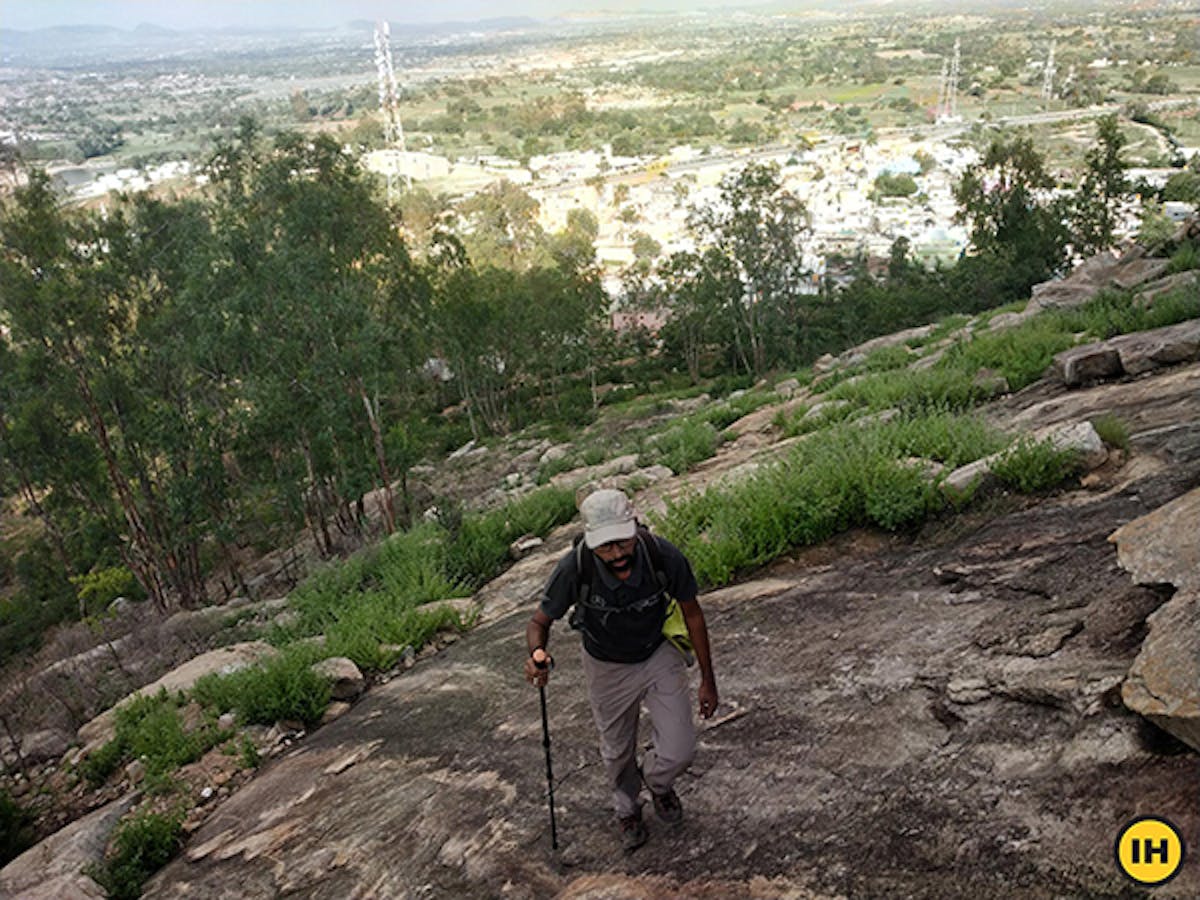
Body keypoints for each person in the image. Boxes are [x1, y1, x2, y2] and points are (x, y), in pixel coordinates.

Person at [524, 487, 718, 852]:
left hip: (657, 652)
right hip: (606, 664)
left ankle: (659, 784)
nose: (616, 554)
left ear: (634, 529)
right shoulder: (574, 567)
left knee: (679, 751)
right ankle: (627, 809)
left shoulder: (661, 554)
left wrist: (708, 680)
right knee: (616, 750)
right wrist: (536, 653)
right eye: (606, 546)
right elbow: (539, 621)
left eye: (623, 543)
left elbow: (692, 612)